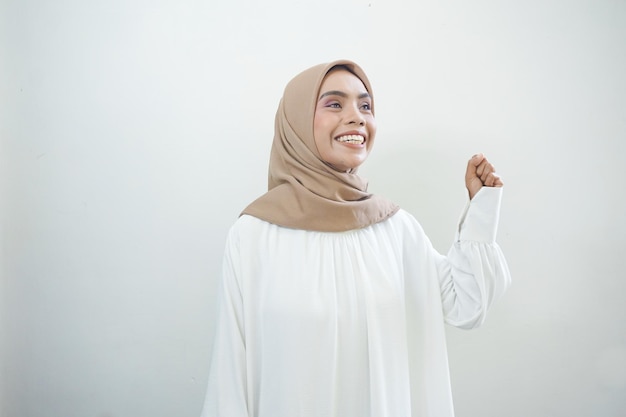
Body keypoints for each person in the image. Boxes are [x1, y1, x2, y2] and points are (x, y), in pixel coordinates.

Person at [200, 59, 511, 417]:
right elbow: (230, 375)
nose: (357, 117)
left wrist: (481, 210)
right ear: (297, 122)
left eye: (365, 106)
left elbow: (466, 305)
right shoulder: (254, 235)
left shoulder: (395, 229)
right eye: (335, 103)